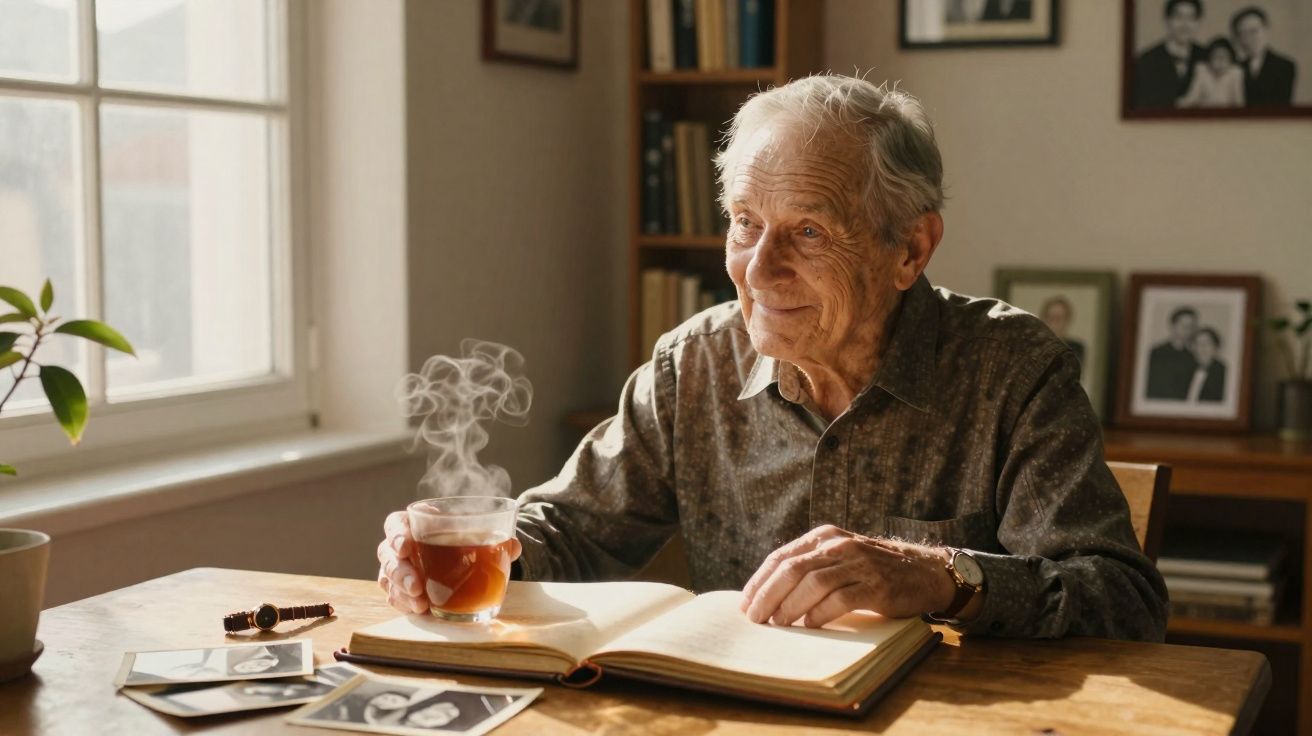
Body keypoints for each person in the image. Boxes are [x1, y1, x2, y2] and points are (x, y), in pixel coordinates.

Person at [377, 74, 1167, 642]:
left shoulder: (1012, 370)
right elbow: (572, 531)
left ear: (911, 249)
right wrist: (482, 549)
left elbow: (1124, 602)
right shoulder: (694, 366)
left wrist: (940, 577)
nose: (756, 271)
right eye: (745, 222)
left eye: (809, 232)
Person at [1133, 0, 1207, 110]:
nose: (1185, 24)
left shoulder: (1207, 56)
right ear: (1167, 20)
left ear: (1198, 22)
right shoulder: (1145, 61)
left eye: (1191, 18)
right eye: (1178, 17)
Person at [1231, 6, 1297, 108]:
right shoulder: (1235, 67)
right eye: (1242, 34)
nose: (1247, 39)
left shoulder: (1285, 66)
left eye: (1253, 31)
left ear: (1266, 30)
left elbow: (1281, 105)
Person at [1146, 306, 1198, 400]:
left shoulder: (1193, 357)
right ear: (1172, 326)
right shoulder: (1155, 353)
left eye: (1191, 326)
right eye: (1183, 325)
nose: (1187, 329)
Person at [1177, 36, 1245, 108]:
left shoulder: (1236, 73)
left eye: (1224, 57)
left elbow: (1239, 102)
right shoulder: (1202, 70)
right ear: (1209, 58)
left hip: (1228, 115)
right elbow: (1192, 96)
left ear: (1231, 59)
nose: (1220, 62)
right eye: (1215, 57)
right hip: (1205, 114)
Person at [1038, 295, 1085, 368]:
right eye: (1051, 318)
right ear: (1043, 319)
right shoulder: (1033, 348)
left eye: (1058, 318)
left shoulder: (1076, 348)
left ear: (1066, 321)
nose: (1054, 323)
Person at [1187, 327, 1226, 402]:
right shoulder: (1186, 369)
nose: (1202, 347)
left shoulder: (1223, 372)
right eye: (1198, 343)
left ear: (1216, 347)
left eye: (1207, 343)